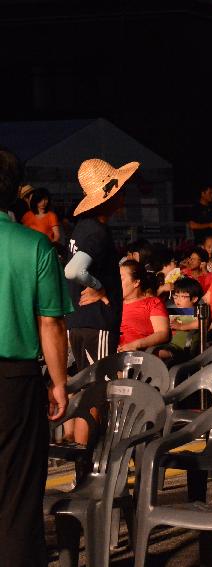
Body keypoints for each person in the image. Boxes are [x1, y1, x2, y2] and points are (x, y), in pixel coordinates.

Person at [0, 148, 73, 564]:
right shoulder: (35, 245)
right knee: (18, 491)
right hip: (14, 381)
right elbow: (51, 324)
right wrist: (60, 383)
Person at [65, 158, 137, 370]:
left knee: (90, 388)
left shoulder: (83, 226)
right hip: (97, 323)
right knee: (101, 389)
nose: (123, 195)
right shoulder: (96, 231)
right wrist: (99, 287)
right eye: (121, 190)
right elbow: (73, 270)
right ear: (110, 196)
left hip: (80, 321)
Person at [117, 260, 170, 352]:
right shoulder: (114, 304)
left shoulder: (153, 303)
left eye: (121, 279)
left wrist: (136, 344)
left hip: (140, 355)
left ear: (136, 282)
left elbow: (162, 333)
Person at [157, 277, 203, 363]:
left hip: (185, 351)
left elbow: (201, 323)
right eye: (176, 296)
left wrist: (181, 326)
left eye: (183, 296)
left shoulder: (198, 311)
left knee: (157, 354)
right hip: (169, 346)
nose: (178, 300)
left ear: (194, 299)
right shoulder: (172, 310)